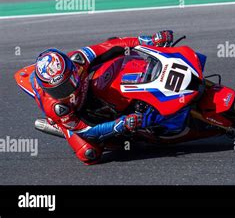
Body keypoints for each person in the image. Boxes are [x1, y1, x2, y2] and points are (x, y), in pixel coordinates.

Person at [32, 30, 184, 165]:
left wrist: (148, 40)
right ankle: (60, 127)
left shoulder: (78, 59)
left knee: (115, 47)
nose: (64, 93)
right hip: (76, 119)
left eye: (65, 85)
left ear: (72, 71)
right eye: (57, 91)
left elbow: (111, 45)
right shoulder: (57, 108)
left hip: (90, 91)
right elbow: (87, 131)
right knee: (89, 154)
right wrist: (119, 124)